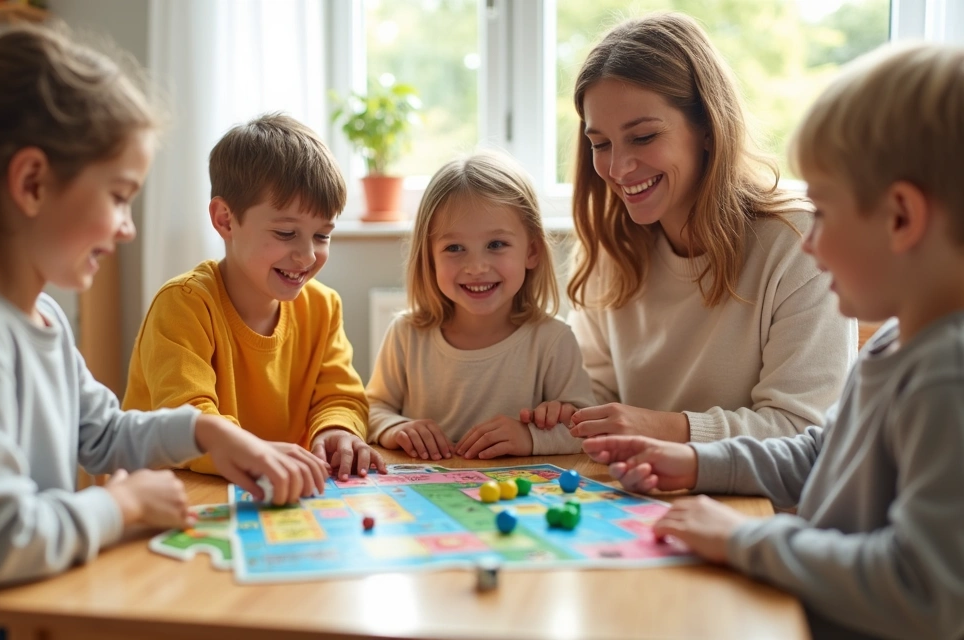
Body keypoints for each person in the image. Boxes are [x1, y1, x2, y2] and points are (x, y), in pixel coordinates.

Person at [0, 27, 327, 640]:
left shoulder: (39, 318)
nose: (127, 228)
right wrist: (122, 506)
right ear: (32, 185)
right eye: (120, 197)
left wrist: (205, 428)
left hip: (24, 610)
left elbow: (101, 434)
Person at [584, 43, 964, 640]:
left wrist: (745, 538)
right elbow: (820, 455)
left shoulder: (946, 375)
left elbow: (925, 590)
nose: (808, 242)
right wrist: (697, 462)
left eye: (824, 212)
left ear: (900, 217)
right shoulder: (897, 344)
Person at [564, 13, 855, 443]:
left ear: (707, 128)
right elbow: (592, 400)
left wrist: (663, 429)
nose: (618, 168)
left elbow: (802, 429)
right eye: (600, 144)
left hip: (757, 507)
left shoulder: (800, 244)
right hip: (640, 497)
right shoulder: (610, 249)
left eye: (643, 137)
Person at [122, 113, 385, 481]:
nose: (307, 255)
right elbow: (187, 419)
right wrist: (257, 453)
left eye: (322, 236)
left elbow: (340, 397)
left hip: (263, 491)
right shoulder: (183, 304)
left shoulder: (324, 308)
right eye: (285, 233)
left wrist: (336, 429)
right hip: (168, 496)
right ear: (226, 220)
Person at [367, 151, 595, 460]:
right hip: (428, 500)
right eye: (455, 248)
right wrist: (394, 427)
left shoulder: (553, 341)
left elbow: (586, 430)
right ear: (429, 257)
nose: (476, 267)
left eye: (496, 245)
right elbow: (371, 409)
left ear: (532, 251)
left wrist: (528, 436)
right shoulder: (406, 335)